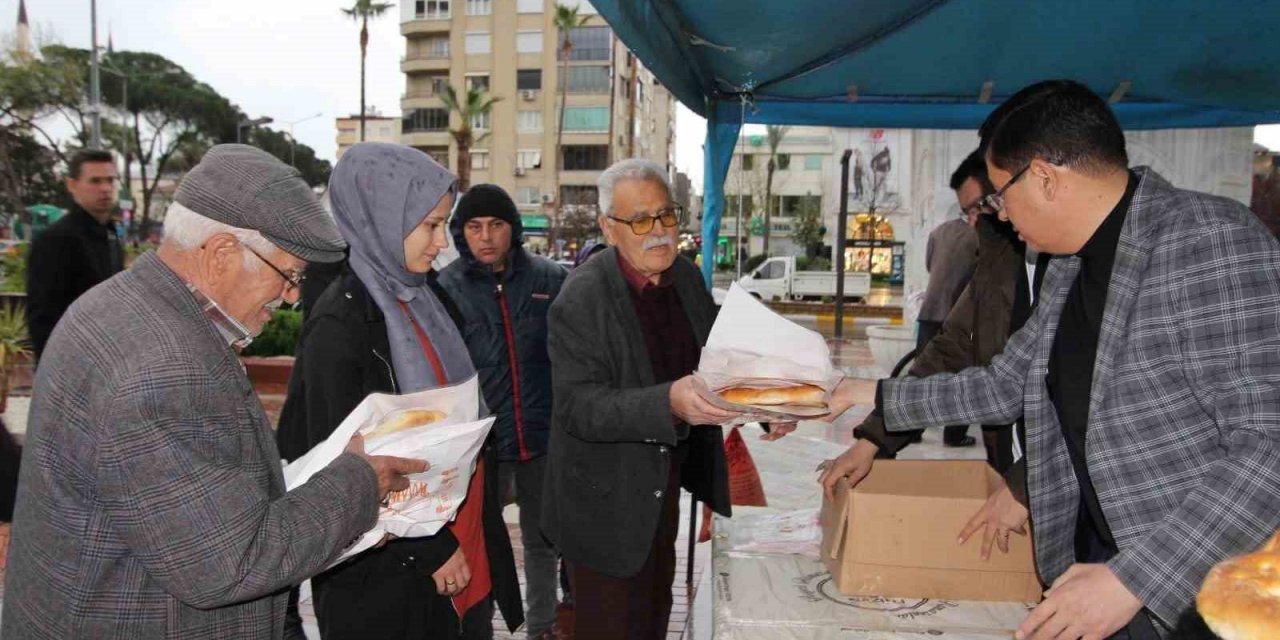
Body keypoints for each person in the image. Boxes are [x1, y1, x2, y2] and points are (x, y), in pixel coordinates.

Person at [823, 80, 1280, 638]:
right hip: (1099, 558)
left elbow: (1268, 444)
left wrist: (1134, 580)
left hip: (1198, 582)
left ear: (1043, 177)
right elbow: (1005, 385)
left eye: (999, 195)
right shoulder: (1069, 265)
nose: (1000, 214)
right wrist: (863, 393)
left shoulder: (1209, 242)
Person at [2, 144, 426, 639]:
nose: (292, 296)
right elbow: (231, 563)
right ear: (223, 253)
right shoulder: (168, 366)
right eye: (289, 274)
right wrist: (359, 482)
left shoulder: (114, 305)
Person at [275, 143, 523, 639]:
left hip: (462, 539)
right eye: (430, 225)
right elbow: (341, 467)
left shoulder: (429, 298)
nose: (441, 242)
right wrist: (430, 549)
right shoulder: (341, 324)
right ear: (382, 219)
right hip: (391, 572)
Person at [543, 158, 795, 640]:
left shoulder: (685, 277)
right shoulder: (582, 297)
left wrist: (770, 406)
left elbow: (720, 355)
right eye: (640, 220)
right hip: (603, 506)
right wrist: (669, 404)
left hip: (663, 492)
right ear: (609, 228)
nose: (658, 230)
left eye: (666, 214)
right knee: (611, 627)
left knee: (654, 616)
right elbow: (579, 407)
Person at [834, 150, 1036, 483]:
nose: (977, 220)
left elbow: (1006, 390)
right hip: (1012, 470)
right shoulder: (999, 257)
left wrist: (860, 391)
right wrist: (872, 440)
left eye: (982, 206)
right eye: (969, 211)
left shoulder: (1072, 265)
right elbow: (949, 351)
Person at [438, 184, 568, 639]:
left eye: (496, 225)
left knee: (543, 542)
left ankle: (542, 628)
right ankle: (480, 629)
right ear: (461, 232)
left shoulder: (551, 280)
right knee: (482, 543)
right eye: (474, 227)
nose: (486, 236)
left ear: (513, 228)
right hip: (482, 447)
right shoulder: (445, 288)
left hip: (543, 437)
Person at [26, 149, 124, 361]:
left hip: (109, 359)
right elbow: (43, 318)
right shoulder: (54, 240)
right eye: (95, 181)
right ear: (72, 185)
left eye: (110, 180)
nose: (105, 188)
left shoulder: (112, 235)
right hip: (72, 363)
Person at [918, 169, 979, 447]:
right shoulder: (980, 238)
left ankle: (911, 430)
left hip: (930, 311)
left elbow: (930, 266)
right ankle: (954, 435)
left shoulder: (938, 232)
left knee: (922, 373)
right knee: (963, 378)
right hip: (959, 316)